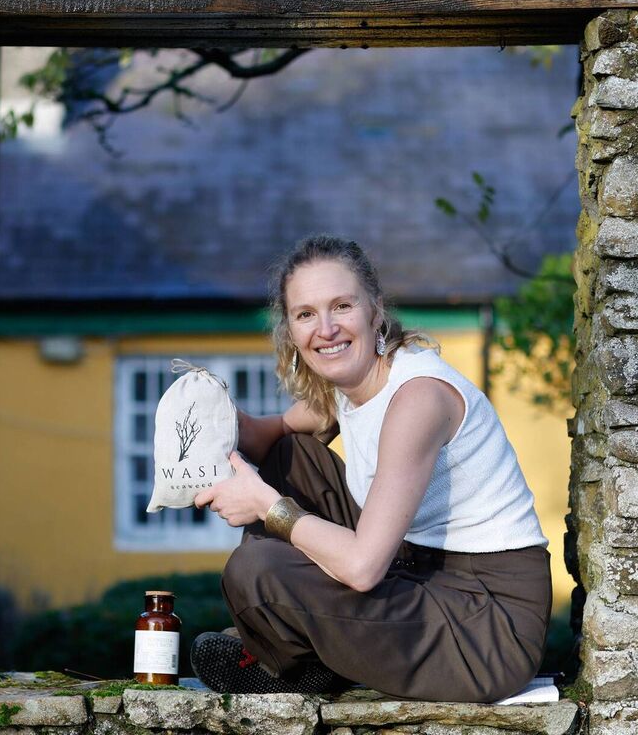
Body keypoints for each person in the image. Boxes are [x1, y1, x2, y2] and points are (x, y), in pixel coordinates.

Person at [190, 235, 551, 702]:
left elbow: (361, 568)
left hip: (487, 628)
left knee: (256, 568)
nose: (326, 329)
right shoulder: (350, 386)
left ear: (375, 311)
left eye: (342, 306)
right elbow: (266, 435)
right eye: (305, 314)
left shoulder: (418, 398)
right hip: (416, 575)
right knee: (292, 455)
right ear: (291, 332)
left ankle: (293, 663)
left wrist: (265, 504)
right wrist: (201, 408)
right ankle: (313, 655)